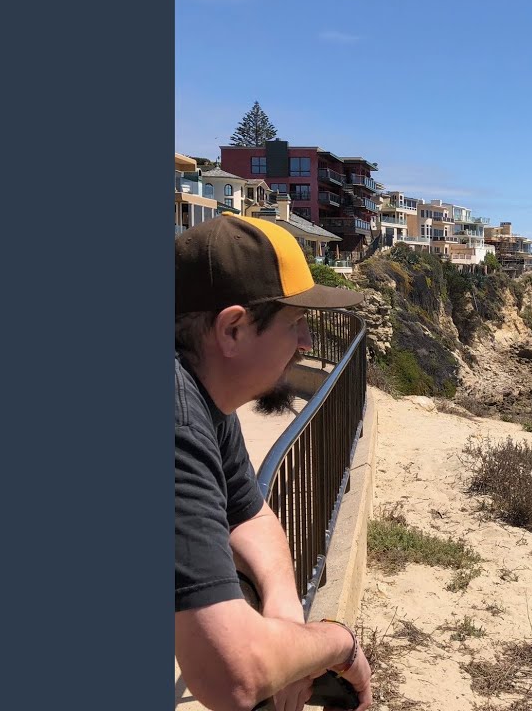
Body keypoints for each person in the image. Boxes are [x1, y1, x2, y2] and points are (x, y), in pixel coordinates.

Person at [174, 213, 371, 711]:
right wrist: (339, 644)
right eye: (295, 323)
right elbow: (232, 675)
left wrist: (285, 622)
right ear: (233, 329)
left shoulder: (204, 396)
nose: (308, 343)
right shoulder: (176, 422)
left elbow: (249, 512)